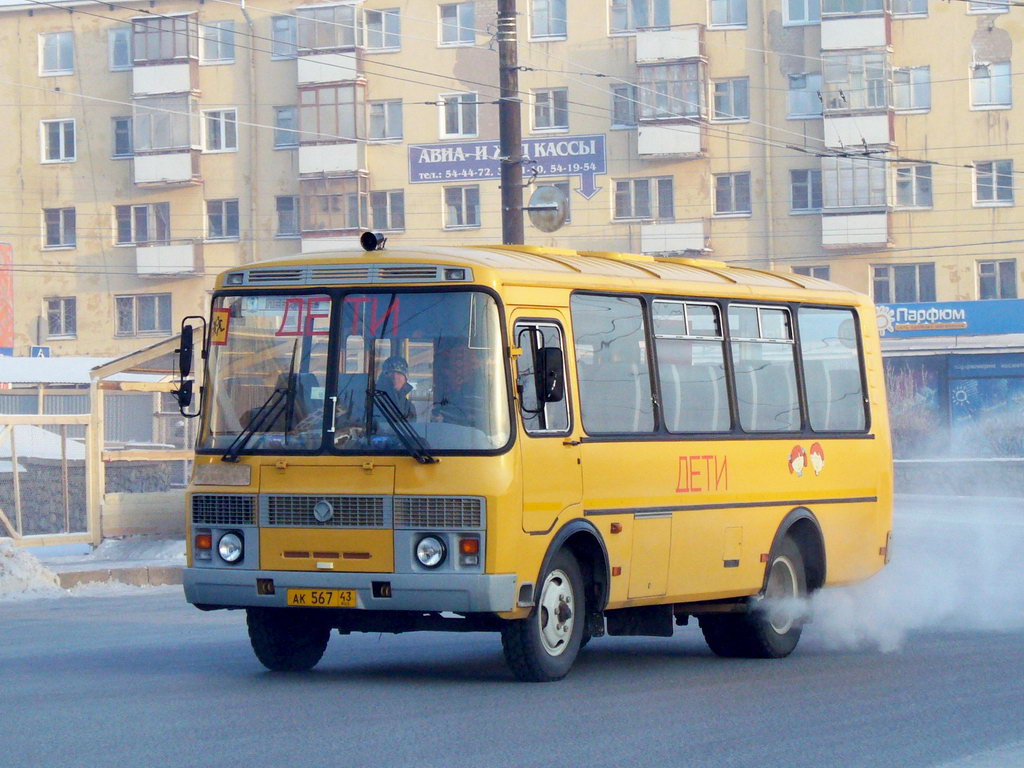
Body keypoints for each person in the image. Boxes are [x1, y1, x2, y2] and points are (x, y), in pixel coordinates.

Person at [375, 355, 417, 421]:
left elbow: (413, 427)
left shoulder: (409, 407)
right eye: (391, 373)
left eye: (399, 373)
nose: (395, 377)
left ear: (405, 379)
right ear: (384, 377)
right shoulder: (373, 401)